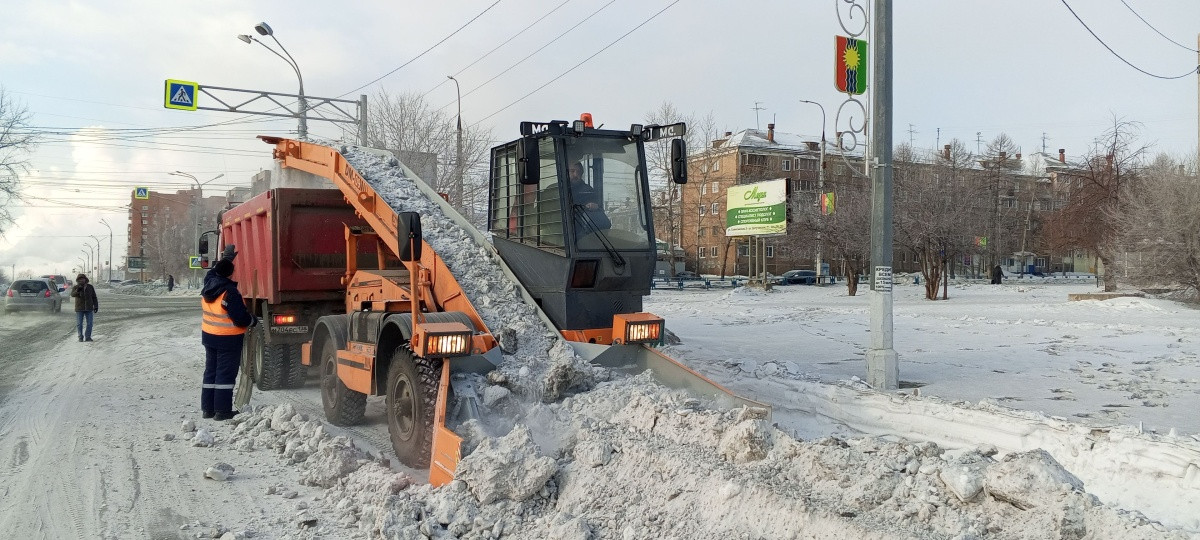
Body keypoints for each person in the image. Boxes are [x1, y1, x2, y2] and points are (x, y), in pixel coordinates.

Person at [200, 245, 257, 421]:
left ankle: (208, 409)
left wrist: (227, 258)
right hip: (227, 340)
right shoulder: (229, 292)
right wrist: (252, 320)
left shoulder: (209, 284)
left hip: (209, 337)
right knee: (225, 374)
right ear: (230, 274)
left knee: (211, 372)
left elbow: (212, 273)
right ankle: (223, 411)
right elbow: (240, 318)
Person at [567, 161, 611, 230]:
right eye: (572, 171)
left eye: (578, 172)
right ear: (565, 172)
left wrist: (595, 207)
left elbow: (603, 222)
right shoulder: (554, 190)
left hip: (582, 230)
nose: (575, 174)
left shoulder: (589, 191)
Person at [70, 273, 99, 342]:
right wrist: (78, 290)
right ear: (78, 280)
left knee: (90, 324)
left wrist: (96, 306)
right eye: (80, 279)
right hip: (79, 308)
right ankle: (80, 337)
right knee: (79, 324)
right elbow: (72, 294)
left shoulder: (90, 287)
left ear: (85, 279)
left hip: (89, 308)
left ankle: (88, 337)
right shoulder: (76, 287)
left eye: (83, 279)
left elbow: (94, 297)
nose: (81, 280)